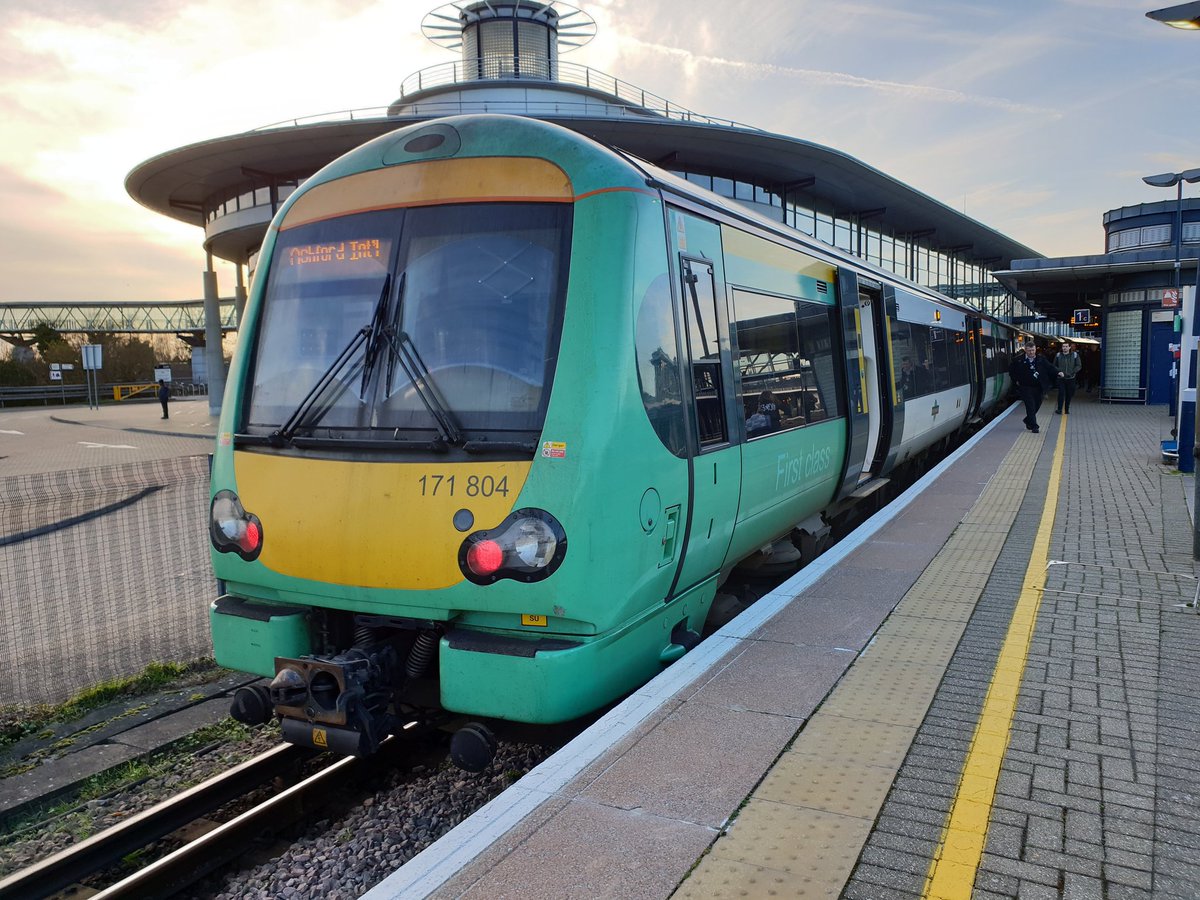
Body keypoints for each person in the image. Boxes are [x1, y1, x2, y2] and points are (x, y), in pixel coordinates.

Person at [1008, 343, 1056, 433]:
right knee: (1030, 406)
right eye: (1029, 350)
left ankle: (1027, 420)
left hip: (1038, 387)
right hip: (1025, 387)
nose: (1031, 352)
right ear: (1025, 350)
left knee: (1037, 405)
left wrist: (1058, 372)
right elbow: (1011, 371)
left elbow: (1050, 367)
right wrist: (1016, 380)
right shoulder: (1017, 360)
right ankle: (1034, 426)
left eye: (1033, 350)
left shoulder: (1041, 359)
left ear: (1035, 350)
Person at [1053, 341, 1081, 414]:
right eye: (1063, 346)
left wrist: (1072, 372)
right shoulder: (1058, 355)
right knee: (1061, 393)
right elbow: (1054, 366)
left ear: (1069, 347)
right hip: (1061, 378)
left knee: (1069, 394)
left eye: (1066, 346)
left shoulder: (1075, 355)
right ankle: (1059, 409)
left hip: (1071, 378)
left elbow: (1078, 365)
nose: (1064, 348)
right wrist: (1059, 372)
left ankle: (1066, 409)